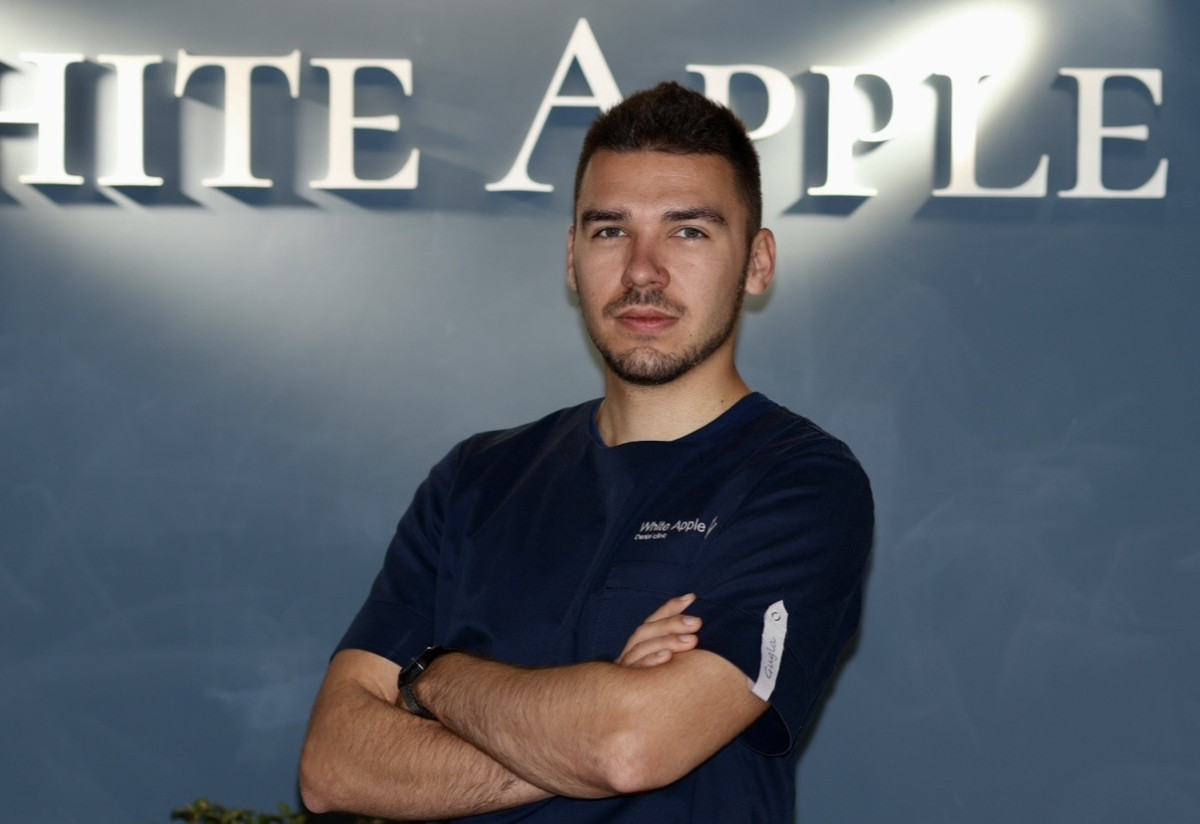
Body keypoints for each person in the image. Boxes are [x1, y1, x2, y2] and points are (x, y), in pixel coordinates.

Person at [299, 81, 873, 823]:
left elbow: (630, 748)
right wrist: (592, 715)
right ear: (572, 257)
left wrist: (432, 677)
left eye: (688, 232)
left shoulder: (799, 483)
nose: (642, 271)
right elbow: (334, 767)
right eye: (609, 231)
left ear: (757, 262)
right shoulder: (475, 480)